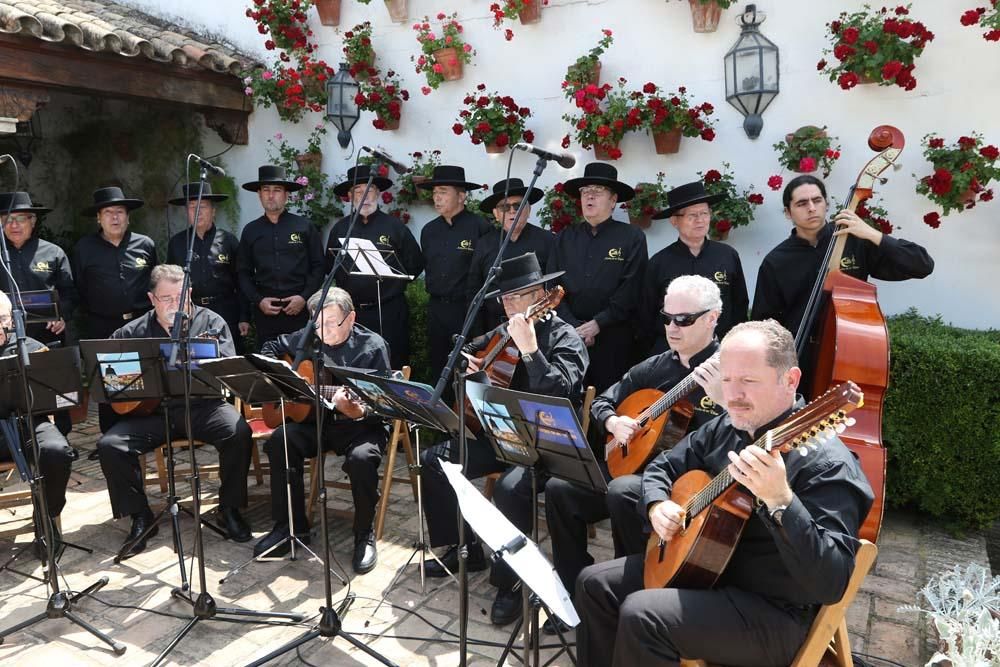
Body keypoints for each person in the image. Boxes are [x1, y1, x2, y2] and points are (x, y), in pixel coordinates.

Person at [574, 319, 874, 666]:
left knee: (644, 616)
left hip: (773, 612)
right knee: (592, 584)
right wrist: (658, 504)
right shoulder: (730, 426)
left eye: (748, 381)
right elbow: (662, 467)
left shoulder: (828, 466)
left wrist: (781, 500)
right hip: (708, 573)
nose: (732, 395)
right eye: (727, 380)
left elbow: (831, 582)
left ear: (790, 380)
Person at [543, 275, 725, 633]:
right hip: (637, 469)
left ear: (712, 318)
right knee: (560, 488)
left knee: (623, 491)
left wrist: (723, 398)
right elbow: (606, 400)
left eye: (683, 319)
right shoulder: (657, 365)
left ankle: (628, 597)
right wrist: (613, 422)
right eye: (667, 317)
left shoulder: (729, 372)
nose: (672, 327)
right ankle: (571, 590)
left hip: (688, 490)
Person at [420, 252, 588, 627]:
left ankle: (510, 582)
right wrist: (470, 363)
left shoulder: (566, 337)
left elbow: (560, 390)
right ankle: (463, 547)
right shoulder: (501, 331)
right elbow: (463, 350)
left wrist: (530, 350)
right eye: (505, 298)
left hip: (546, 444)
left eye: (517, 296)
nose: (509, 304)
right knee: (436, 461)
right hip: (500, 435)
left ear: (541, 294)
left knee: (510, 490)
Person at [94, 265, 253, 557]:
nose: (173, 304)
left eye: (180, 297)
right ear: (152, 298)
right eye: (166, 298)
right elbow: (112, 379)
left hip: (203, 406)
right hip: (153, 413)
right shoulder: (132, 331)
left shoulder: (211, 322)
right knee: (110, 445)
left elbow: (229, 370)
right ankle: (141, 516)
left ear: (189, 294)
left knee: (238, 431)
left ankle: (229, 508)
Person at [253, 287, 390, 575]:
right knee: (281, 441)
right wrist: (287, 376)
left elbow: (380, 404)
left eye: (330, 323)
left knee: (362, 459)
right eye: (316, 323)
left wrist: (355, 408)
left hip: (360, 427)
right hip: (316, 422)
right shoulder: (308, 336)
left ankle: (363, 533)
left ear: (351, 318)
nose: (321, 330)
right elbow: (269, 350)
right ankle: (290, 527)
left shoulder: (373, 347)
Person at [751, 174, 934, 336]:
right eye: (802, 203)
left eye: (817, 200)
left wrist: (873, 234)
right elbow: (763, 325)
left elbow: (922, 265)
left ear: (827, 204)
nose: (812, 208)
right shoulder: (776, 261)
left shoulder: (854, 240)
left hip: (850, 349)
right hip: (799, 357)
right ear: (788, 213)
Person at [546, 162, 647, 394]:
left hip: (613, 338)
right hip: (568, 338)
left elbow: (632, 288)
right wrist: (573, 327)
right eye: (585, 191)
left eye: (597, 191)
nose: (589, 196)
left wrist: (598, 323)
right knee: (567, 399)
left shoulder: (632, 237)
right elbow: (552, 286)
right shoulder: (563, 238)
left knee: (606, 403)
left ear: (613, 200)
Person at [72, 186, 158, 432]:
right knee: (110, 380)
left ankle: (150, 430)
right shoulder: (84, 248)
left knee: (146, 377)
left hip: (142, 322)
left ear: (128, 216)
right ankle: (111, 435)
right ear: (98, 218)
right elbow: (79, 288)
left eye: (120, 212)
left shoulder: (146, 244)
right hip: (103, 323)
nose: (115, 217)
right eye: (108, 212)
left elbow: (155, 282)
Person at [0, 290, 75, 558]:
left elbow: (57, 395)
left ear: (11, 319)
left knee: (57, 452)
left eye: (2, 319)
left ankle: (45, 517)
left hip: (28, 423)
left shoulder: (31, 347)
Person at [326, 165, 424, 370]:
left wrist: (392, 285)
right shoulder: (341, 228)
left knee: (393, 364)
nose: (365, 197)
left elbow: (415, 264)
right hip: (352, 312)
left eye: (369, 191)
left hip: (389, 310)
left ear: (378, 194)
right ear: (350, 196)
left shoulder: (395, 227)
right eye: (359, 192)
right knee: (355, 367)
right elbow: (330, 266)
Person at [641, 181, 748, 355]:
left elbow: (740, 305)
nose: (700, 220)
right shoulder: (659, 263)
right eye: (692, 215)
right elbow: (645, 315)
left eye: (704, 213)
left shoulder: (728, 256)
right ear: (675, 220)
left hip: (720, 351)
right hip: (671, 353)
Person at [417, 165, 492, 386]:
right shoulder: (429, 230)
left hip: (467, 310)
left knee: (468, 370)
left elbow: (486, 276)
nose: (436, 198)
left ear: (461, 196)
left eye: (443, 192)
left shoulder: (480, 227)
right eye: (434, 193)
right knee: (438, 366)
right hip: (437, 308)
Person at [237, 165, 325, 349]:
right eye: (266, 190)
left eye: (276, 190)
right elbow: (243, 273)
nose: (271, 195)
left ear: (286, 195)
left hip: (300, 311)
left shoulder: (304, 227)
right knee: (269, 368)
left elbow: (319, 267)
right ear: (259, 194)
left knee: (303, 366)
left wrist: (304, 297)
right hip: (265, 314)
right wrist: (258, 300)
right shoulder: (250, 231)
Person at [166, 182, 250, 354]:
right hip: (191, 313)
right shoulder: (177, 243)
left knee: (228, 362)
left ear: (213, 211)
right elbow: (170, 284)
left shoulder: (229, 241)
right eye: (191, 207)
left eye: (202, 207)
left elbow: (241, 281)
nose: (197, 212)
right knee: (195, 362)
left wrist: (244, 317)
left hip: (225, 310)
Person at [466, 178, 554, 336]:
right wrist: (478, 335)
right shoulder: (484, 244)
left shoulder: (548, 241)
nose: (512, 211)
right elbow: (474, 291)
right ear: (496, 213)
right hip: (494, 331)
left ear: (528, 209)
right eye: (505, 207)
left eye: (518, 205)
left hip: (537, 329)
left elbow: (554, 287)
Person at [0, 192, 77, 347]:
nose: (14, 225)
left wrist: (61, 316)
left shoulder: (54, 253)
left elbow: (70, 293)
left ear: (33, 221)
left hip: (48, 335)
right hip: (6, 339)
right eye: (8, 219)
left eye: (21, 218)